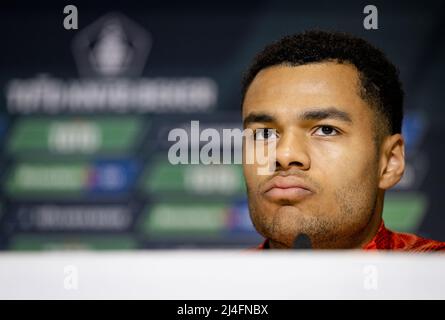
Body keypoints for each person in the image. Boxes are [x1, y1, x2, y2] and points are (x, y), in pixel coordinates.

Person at [241, 30, 445, 251]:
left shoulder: (435, 278)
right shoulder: (209, 285)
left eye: (326, 130)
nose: (284, 154)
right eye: (264, 134)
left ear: (389, 162)